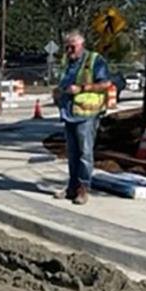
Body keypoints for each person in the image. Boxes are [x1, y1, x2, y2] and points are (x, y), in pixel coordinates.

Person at [52, 31, 111, 205]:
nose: (69, 50)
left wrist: (83, 88)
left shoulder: (94, 60)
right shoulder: (66, 62)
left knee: (85, 153)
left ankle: (83, 189)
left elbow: (106, 84)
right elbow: (63, 83)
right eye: (67, 47)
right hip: (68, 112)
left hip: (86, 114)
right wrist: (58, 93)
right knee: (72, 153)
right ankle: (71, 187)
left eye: (73, 46)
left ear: (82, 45)